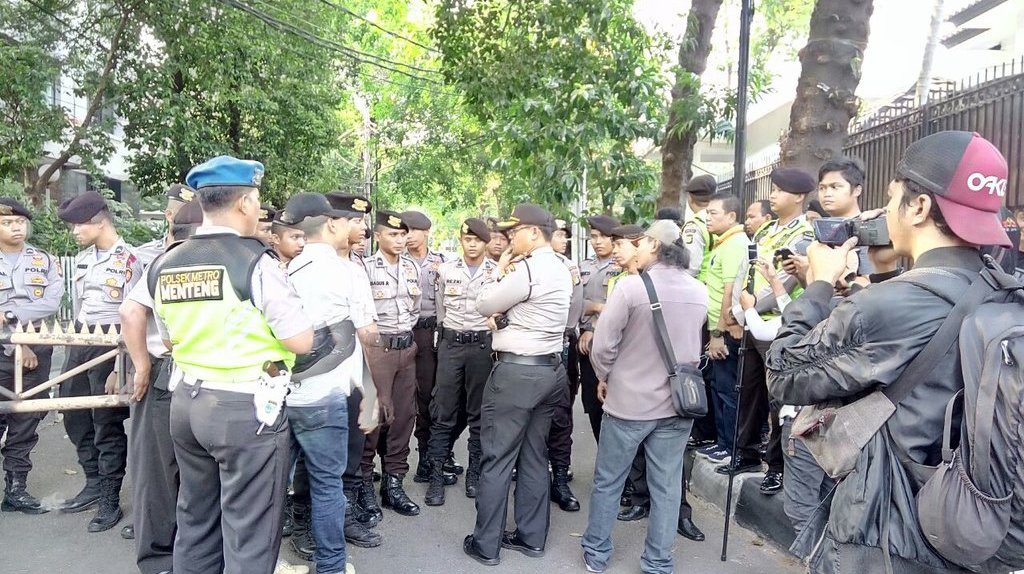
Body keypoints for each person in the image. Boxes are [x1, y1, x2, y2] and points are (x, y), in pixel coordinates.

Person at [767, 131, 1013, 572]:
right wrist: (881, 279)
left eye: (891, 197)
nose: (883, 212)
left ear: (918, 207)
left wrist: (819, 284)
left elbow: (783, 373)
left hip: (887, 536)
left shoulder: (888, 306)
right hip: (973, 526)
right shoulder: (1003, 291)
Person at [149, 155, 314, 574]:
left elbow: (167, 338)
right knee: (250, 532)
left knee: (196, 519)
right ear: (244, 203)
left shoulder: (165, 263)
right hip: (244, 410)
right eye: (257, 200)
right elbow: (301, 339)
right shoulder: (255, 262)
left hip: (186, 402)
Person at [581, 220, 708, 574]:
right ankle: (658, 561)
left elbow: (603, 346)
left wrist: (605, 376)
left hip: (628, 404)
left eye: (641, 242)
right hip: (677, 405)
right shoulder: (699, 290)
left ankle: (597, 552)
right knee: (666, 485)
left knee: (609, 479)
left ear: (653, 245)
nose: (635, 247)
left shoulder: (630, 288)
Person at [463, 204, 571, 566]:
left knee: (496, 457)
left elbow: (483, 304)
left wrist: (500, 269)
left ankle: (486, 544)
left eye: (515, 231)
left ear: (534, 233)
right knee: (534, 455)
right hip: (550, 371)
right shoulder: (560, 266)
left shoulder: (528, 269)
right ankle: (531, 537)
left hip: (516, 375)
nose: (509, 237)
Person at [280, 192, 379, 574]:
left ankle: (263, 561)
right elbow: (366, 334)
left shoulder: (281, 269)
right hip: (327, 397)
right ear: (331, 223)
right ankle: (332, 567)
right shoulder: (346, 272)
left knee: (272, 488)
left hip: (284, 393)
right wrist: (371, 391)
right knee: (327, 487)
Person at [719, 167, 815, 501]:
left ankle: (775, 467)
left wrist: (749, 309)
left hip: (779, 326)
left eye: (780, 190)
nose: (772, 195)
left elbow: (785, 283)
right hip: (751, 322)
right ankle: (744, 453)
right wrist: (737, 311)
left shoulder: (805, 233)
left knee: (779, 401)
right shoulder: (767, 230)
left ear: (799, 196)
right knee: (748, 391)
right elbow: (746, 272)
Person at [119, 198, 203, 573]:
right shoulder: (171, 262)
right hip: (164, 373)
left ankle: (183, 555)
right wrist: (140, 365)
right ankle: (158, 560)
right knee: (157, 472)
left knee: (183, 470)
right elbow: (130, 311)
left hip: (186, 372)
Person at [611, 224, 706, 542]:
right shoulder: (624, 283)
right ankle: (642, 505)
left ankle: (679, 514)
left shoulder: (689, 287)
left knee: (667, 470)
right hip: (640, 391)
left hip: (668, 391)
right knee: (646, 459)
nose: (626, 250)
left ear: (652, 246)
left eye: (630, 244)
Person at [57, 190, 143, 532]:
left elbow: (135, 314)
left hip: (112, 344)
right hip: (81, 339)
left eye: (79, 226)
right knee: (73, 411)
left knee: (105, 420)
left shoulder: (129, 260)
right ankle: (92, 481)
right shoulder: (83, 259)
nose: (74, 232)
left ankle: (109, 496)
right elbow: (82, 304)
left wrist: (123, 362)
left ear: (100, 223)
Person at [324, 192, 383, 547]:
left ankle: (344, 517)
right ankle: (310, 523)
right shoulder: (312, 264)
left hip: (355, 370)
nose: (363, 228)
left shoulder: (358, 265)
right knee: (317, 455)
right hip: (320, 376)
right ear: (335, 222)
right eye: (357, 221)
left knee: (353, 444)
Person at [424, 218, 497, 505]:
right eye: (467, 239)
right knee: (443, 410)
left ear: (485, 243)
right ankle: (436, 476)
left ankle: (474, 473)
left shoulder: (496, 272)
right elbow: (441, 308)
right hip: (451, 344)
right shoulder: (445, 270)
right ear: (461, 240)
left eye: (477, 240)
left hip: (481, 345)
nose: (472, 244)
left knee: (478, 412)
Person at [0, 198, 63, 515]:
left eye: (20, 222)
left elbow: (51, 302)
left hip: (36, 346)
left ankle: (16, 491)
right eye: (7, 222)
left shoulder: (45, 261)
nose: (15, 227)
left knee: (26, 418)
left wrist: (9, 316)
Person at [360, 210, 421, 518]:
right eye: (393, 234)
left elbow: (415, 310)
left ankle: (393, 485)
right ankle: (364, 488)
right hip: (377, 350)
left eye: (403, 234)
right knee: (372, 417)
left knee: (402, 418)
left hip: (405, 349)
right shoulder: (365, 268)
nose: (400, 239)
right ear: (379, 236)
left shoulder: (413, 268)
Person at [402, 210, 460, 485]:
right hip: (402, 332)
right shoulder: (394, 262)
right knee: (401, 399)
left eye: (413, 230)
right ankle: (395, 464)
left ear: (426, 232)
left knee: (429, 397)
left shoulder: (443, 262)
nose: (408, 235)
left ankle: (428, 457)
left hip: (431, 334)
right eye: (405, 230)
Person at [699, 193, 750, 464]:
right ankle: (723, 443)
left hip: (728, 331)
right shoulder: (722, 244)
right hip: (718, 329)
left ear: (731, 216)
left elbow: (730, 292)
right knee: (720, 387)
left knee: (729, 390)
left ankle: (731, 447)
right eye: (707, 213)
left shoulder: (734, 245)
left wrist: (719, 333)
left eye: (714, 213)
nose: (708, 218)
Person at [577, 214, 621, 440]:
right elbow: (574, 304)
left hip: (613, 344)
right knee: (592, 404)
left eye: (603, 237)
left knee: (614, 404)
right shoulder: (583, 267)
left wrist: (593, 324)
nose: (597, 241)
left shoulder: (622, 266)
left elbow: (619, 308)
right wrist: (595, 306)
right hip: (586, 347)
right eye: (594, 237)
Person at [681, 174, 717, 279]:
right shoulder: (722, 220)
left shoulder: (694, 226)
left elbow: (691, 267)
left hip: (701, 286)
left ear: (690, 198)